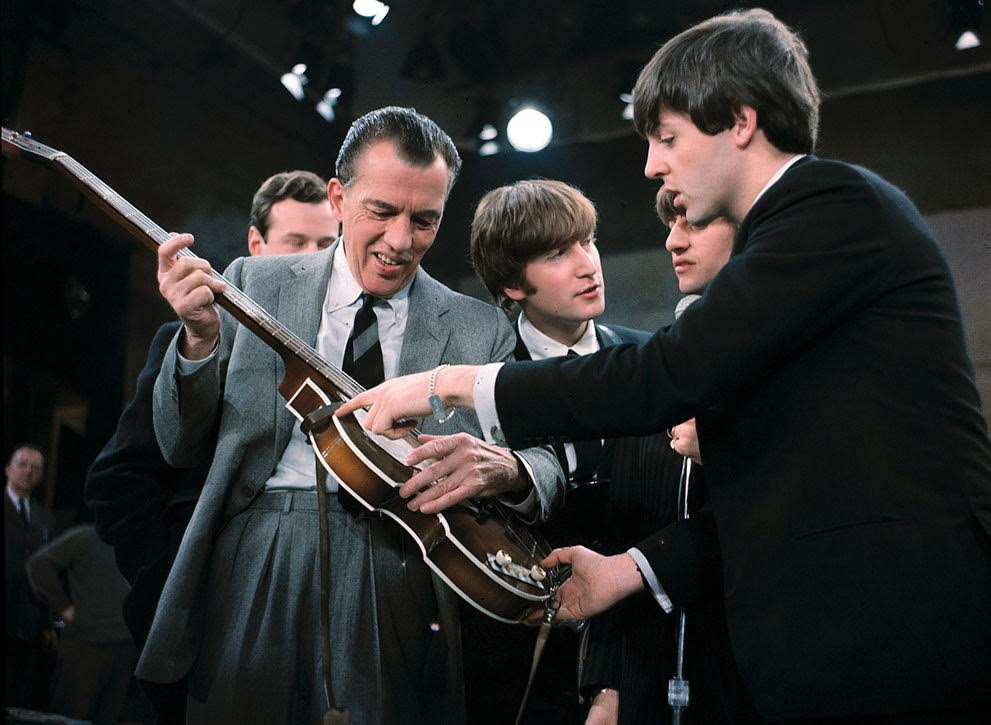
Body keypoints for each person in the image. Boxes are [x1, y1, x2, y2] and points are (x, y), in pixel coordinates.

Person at [340, 10, 991, 723]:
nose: (652, 164)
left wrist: (447, 380)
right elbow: (774, 482)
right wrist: (626, 570)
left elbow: (661, 376)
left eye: (668, 137)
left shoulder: (829, 205)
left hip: (893, 629)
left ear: (739, 121)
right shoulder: (798, 233)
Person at [142, 106, 564, 724]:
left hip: (397, 564)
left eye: (426, 220)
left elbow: (548, 467)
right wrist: (200, 343)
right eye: (382, 212)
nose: (401, 241)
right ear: (339, 198)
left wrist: (504, 469)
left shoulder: (481, 328)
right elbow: (177, 444)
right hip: (257, 551)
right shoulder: (250, 285)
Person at [85, 169, 339, 724]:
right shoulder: (195, 334)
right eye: (297, 243)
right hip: (210, 624)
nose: (315, 259)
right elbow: (118, 481)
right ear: (256, 245)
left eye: (328, 244)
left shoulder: (342, 349)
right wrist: (172, 576)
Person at [27, 520, 134, 725]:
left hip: (124, 645)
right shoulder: (85, 537)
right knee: (70, 716)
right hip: (86, 644)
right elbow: (39, 565)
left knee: (109, 716)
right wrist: (64, 607)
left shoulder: (134, 540)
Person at [5, 443, 57, 710]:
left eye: (36, 468)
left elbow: (46, 571)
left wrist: (47, 621)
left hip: (27, 619)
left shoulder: (44, 519)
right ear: (8, 468)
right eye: (22, 464)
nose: (28, 472)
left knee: (17, 693)